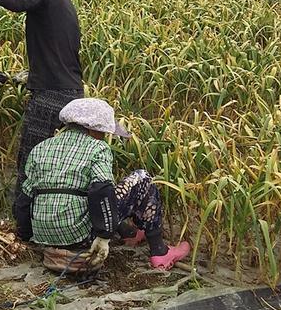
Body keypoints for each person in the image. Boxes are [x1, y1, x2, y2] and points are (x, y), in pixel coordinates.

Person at [16, 97, 190, 273]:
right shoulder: (97, 148)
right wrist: (104, 236)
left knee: (84, 192)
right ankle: (160, 251)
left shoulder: (42, 147)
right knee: (141, 178)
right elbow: (101, 191)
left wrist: (25, 234)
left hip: (44, 234)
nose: (106, 136)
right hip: (79, 236)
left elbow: (25, 197)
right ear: (93, 129)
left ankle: (129, 233)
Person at [0, 0, 83, 198]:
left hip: (51, 92)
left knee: (31, 154)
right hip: (72, 90)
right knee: (59, 158)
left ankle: (22, 220)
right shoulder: (63, 0)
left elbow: (18, 3)